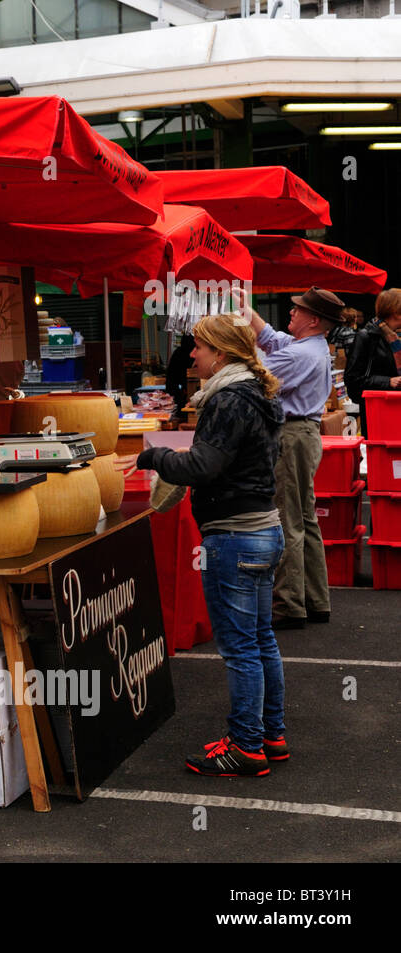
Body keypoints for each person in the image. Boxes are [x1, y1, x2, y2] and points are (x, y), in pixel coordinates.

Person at [136, 313, 286, 777]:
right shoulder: (254, 393)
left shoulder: (228, 400)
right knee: (260, 641)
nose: (192, 354)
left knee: (242, 648)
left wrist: (152, 454)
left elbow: (203, 467)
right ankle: (269, 736)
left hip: (236, 537)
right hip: (263, 531)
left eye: (198, 346)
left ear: (221, 353)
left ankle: (245, 747)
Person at [238, 287, 342, 629]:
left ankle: (288, 605)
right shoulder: (310, 347)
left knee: (287, 521)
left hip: (292, 435)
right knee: (305, 519)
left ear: (313, 320)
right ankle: (315, 600)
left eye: (298, 309)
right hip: (303, 434)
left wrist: (233, 340)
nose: (291, 312)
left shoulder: (301, 355)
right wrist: (245, 309)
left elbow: (257, 374)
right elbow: (270, 337)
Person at [345, 288, 401, 437]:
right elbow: (352, 380)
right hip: (379, 414)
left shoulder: (398, 337)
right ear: (395, 312)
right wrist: (388, 381)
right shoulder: (367, 337)